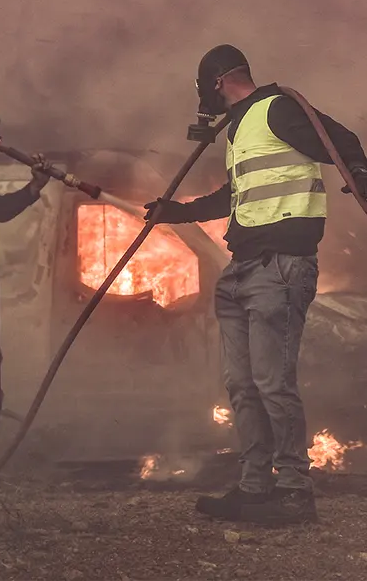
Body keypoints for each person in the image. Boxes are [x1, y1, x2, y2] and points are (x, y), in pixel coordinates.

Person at [143, 45, 367, 525]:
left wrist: (361, 175)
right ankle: (254, 487)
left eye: (207, 90)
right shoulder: (243, 128)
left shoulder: (278, 108)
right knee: (242, 385)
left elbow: (342, 141)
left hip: (281, 267)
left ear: (219, 82)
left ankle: (292, 490)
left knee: (271, 382)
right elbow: (236, 193)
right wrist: (178, 214)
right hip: (242, 268)